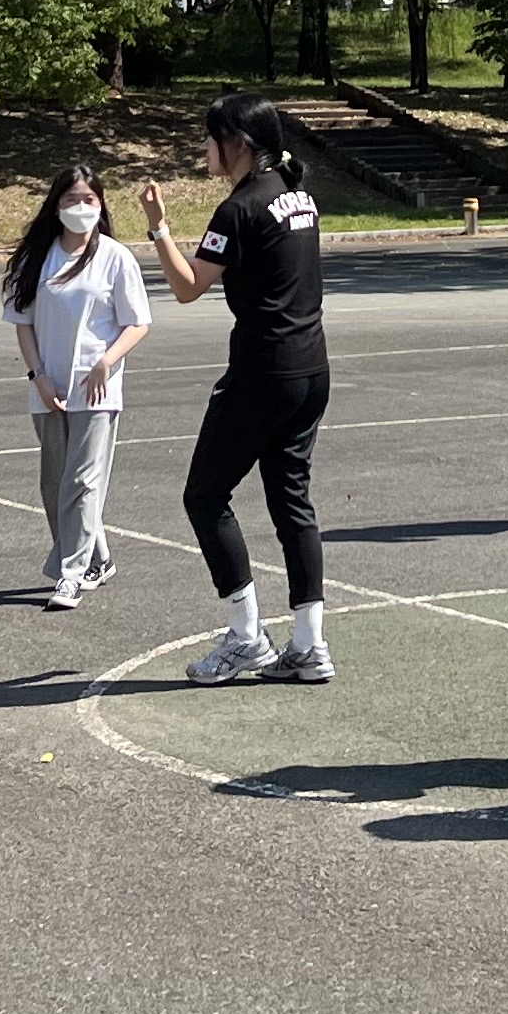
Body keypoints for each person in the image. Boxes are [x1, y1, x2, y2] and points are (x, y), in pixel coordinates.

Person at [144, 92, 335, 685]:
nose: (205, 148)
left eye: (212, 138)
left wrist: (158, 229)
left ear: (240, 145)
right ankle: (309, 644)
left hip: (262, 373)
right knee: (291, 501)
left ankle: (247, 636)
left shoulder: (240, 208)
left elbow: (187, 287)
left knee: (204, 496)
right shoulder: (298, 196)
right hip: (311, 368)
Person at [7, 161, 155, 610]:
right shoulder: (37, 258)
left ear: (101, 204)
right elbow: (23, 323)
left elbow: (137, 322)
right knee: (55, 485)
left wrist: (106, 362)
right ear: (55, 205)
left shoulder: (115, 257)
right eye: (71, 199)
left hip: (97, 388)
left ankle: (70, 574)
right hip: (50, 388)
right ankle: (98, 559)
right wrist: (38, 375)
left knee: (83, 481)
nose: (80, 207)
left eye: (89, 199)